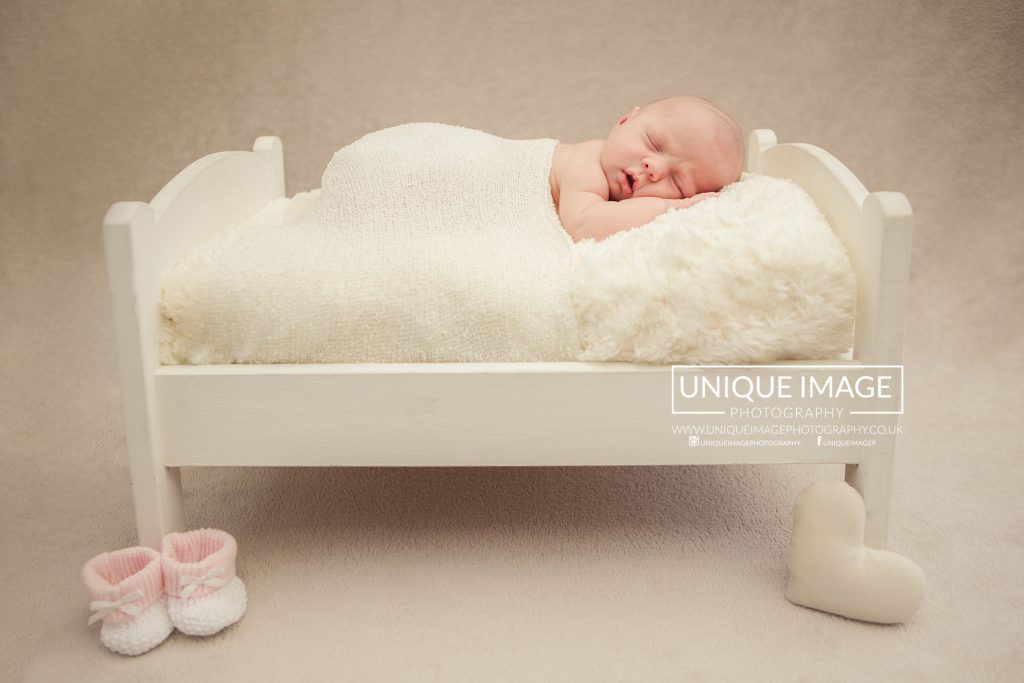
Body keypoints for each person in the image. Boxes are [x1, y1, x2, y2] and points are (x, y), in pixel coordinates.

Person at [550, 96, 744, 242]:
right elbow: (582, 226)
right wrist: (670, 207)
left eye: (676, 182)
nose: (654, 169)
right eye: (654, 144)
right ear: (624, 122)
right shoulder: (586, 161)